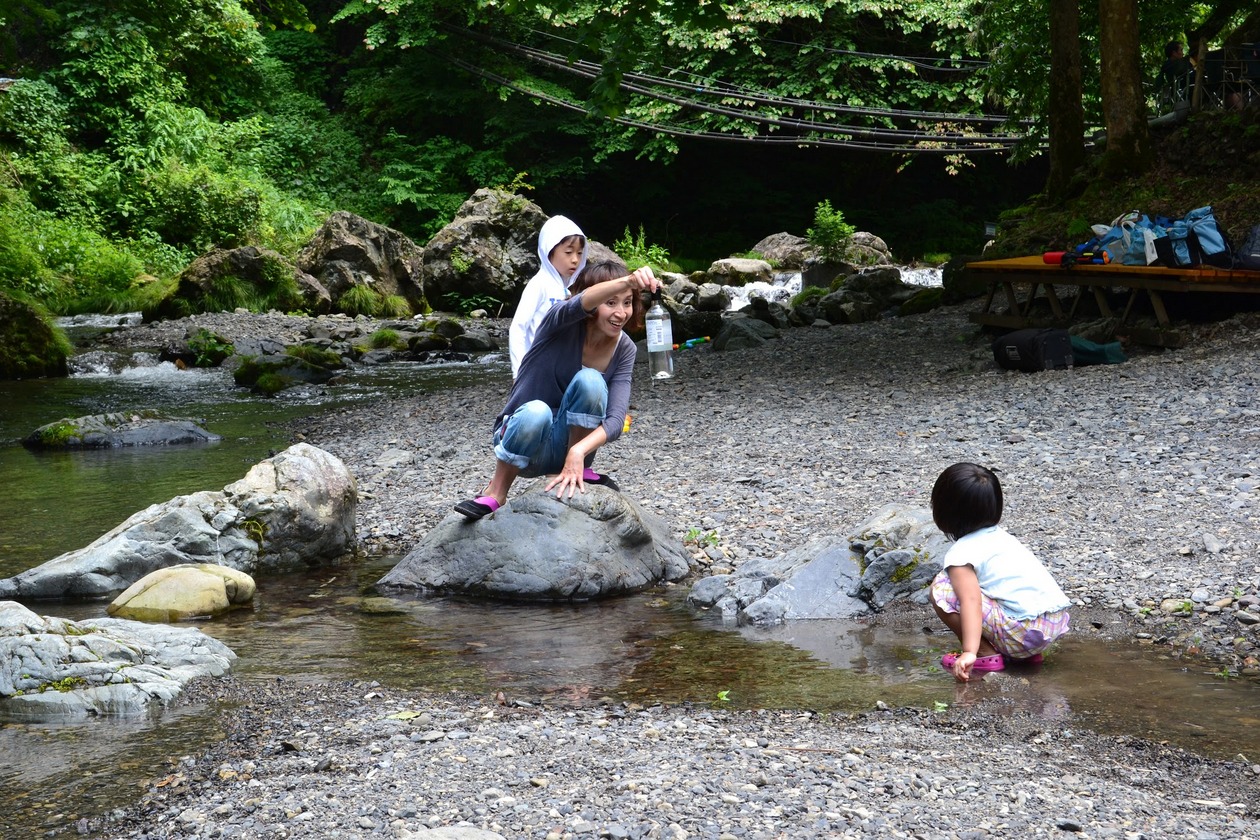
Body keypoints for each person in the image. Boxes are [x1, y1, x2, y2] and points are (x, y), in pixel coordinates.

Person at [454, 259, 658, 520]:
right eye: (611, 302)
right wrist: (628, 281)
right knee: (537, 411)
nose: (621, 313)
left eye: (627, 302)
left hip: (571, 453)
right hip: (521, 440)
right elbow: (579, 303)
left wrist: (578, 451)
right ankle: (496, 491)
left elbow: (616, 420)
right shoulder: (558, 321)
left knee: (591, 381)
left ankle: (575, 469)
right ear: (593, 301)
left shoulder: (625, 348)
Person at [928, 462, 1072, 682]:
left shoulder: (960, 554)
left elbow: (971, 601)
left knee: (941, 588)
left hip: (1024, 632)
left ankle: (985, 655)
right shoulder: (1004, 539)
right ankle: (1025, 657)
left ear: (943, 511)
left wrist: (969, 651)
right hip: (1051, 625)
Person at [508, 215, 587, 377]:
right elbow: (518, 328)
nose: (575, 260)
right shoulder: (539, 285)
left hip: (561, 369)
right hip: (537, 369)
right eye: (568, 252)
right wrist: (519, 372)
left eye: (579, 253)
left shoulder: (569, 289)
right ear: (549, 251)